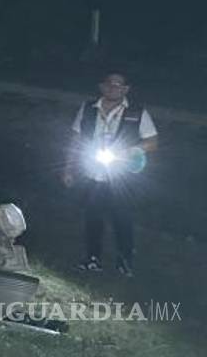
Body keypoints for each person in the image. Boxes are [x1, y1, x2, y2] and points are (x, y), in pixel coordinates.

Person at [62, 72, 159, 277]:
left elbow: (152, 142)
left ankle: (125, 261)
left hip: (121, 176)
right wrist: (68, 168)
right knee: (92, 217)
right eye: (109, 84)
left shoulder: (137, 112)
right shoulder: (88, 108)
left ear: (126, 89)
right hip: (92, 172)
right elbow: (75, 139)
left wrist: (128, 151)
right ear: (102, 86)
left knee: (122, 218)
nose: (113, 88)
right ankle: (92, 258)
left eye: (118, 85)